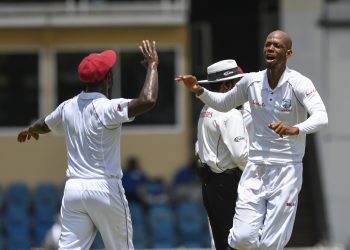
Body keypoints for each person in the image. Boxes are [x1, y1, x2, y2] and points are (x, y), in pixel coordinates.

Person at [176, 30, 328, 249]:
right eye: (268, 45)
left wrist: (294, 129)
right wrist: (199, 90)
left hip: (286, 169)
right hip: (255, 167)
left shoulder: (299, 83)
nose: (270, 48)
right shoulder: (251, 81)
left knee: (270, 244)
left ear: (288, 53)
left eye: (277, 46)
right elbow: (224, 103)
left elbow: (321, 117)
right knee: (240, 239)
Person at [18, 40, 159, 250]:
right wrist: (153, 66)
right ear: (108, 78)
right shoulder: (107, 108)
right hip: (105, 188)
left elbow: (44, 124)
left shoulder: (67, 107)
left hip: (74, 190)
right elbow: (147, 100)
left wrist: (31, 130)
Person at [194, 59, 249, 250]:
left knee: (221, 242)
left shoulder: (205, 109)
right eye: (237, 84)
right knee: (237, 242)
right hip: (227, 182)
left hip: (209, 182)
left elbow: (197, 148)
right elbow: (241, 156)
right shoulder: (230, 113)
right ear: (226, 85)